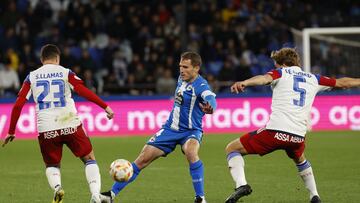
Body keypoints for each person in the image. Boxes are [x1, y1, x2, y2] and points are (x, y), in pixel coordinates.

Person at [224, 47, 360, 203]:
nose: (275, 68)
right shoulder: (314, 78)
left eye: (276, 65)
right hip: (297, 137)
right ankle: (314, 196)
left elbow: (263, 78)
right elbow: (343, 83)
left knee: (232, 149)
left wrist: (245, 82)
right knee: (300, 159)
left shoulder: (280, 73)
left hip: (275, 132)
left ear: (281, 64)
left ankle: (242, 185)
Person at [2, 44, 114, 203]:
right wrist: (105, 106)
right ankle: (95, 195)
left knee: (52, 165)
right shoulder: (65, 72)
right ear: (58, 58)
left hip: (46, 128)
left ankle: (57, 188)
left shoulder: (31, 76)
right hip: (70, 123)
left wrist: (11, 131)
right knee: (89, 158)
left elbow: (18, 105)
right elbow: (83, 91)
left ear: (42, 60)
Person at [100, 52, 217, 203]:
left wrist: (211, 107)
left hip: (191, 131)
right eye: (180, 66)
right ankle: (111, 195)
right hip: (170, 129)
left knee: (191, 152)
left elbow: (210, 97)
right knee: (141, 160)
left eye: (186, 67)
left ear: (196, 68)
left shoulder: (201, 86)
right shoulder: (181, 79)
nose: (181, 70)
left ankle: (200, 198)